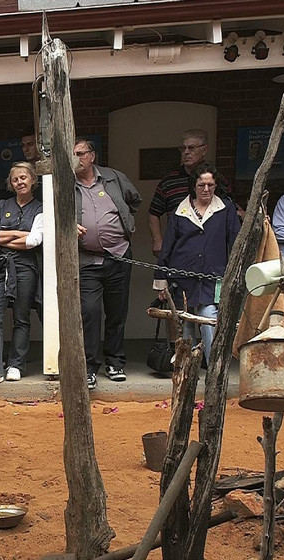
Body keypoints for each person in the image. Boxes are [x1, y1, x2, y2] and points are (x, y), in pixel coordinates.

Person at [155, 162, 240, 364]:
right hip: (181, 279)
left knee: (209, 321)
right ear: (194, 185)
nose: (206, 189)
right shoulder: (180, 210)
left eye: (211, 185)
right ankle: (186, 372)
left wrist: (235, 274)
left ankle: (212, 370)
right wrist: (160, 280)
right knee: (184, 326)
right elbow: (167, 246)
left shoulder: (225, 208)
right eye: (202, 185)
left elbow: (236, 241)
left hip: (213, 277)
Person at [74, 137, 141, 388]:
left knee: (117, 311)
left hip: (119, 254)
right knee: (89, 312)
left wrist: (124, 222)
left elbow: (134, 201)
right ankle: (90, 367)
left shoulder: (114, 178)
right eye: (73, 154)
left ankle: (115, 362)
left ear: (92, 155)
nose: (77, 158)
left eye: (81, 153)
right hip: (87, 260)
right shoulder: (66, 184)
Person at [0, 162, 44, 387]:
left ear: (33, 179)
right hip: (1, 267)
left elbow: (34, 241)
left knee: (21, 318)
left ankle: (15, 365)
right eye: (15, 179)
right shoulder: (3, 205)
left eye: (24, 177)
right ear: (10, 184)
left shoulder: (41, 208)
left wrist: (6, 236)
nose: (20, 182)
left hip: (25, 268)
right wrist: (18, 234)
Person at [148, 128, 235, 256]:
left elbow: (231, 210)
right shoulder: (168, 182)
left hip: (211, 248)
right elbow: (153, 213)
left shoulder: (218, 180)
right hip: (177, 246)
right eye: (183, 149)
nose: (186, 152)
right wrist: (157, 240)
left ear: (204, 150)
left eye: (191, 148)